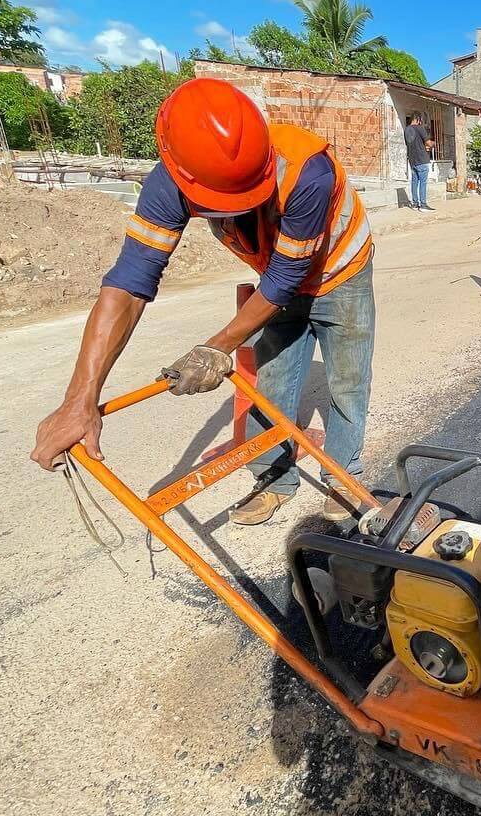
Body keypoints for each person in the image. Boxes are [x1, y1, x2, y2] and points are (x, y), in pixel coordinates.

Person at [30, 78, 375, 529]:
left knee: (347, 381)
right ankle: (274, 479)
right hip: (277, 275)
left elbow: (287, 277)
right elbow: (129, 283)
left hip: (341, 272)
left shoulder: (306, 170)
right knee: (273, 381)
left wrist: (216, 347)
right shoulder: (171, 181)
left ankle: (344, 476)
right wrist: (80, 399)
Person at [404, 111, 433, 211]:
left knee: (414, 182)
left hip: (412, 160)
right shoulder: (420, 128)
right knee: (423, 183)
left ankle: (415, 203)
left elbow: (410, 143)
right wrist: (433, 144)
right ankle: (423, 204)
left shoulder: (406, 130)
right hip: (422, 159)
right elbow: (428, 143)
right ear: (418, 119)